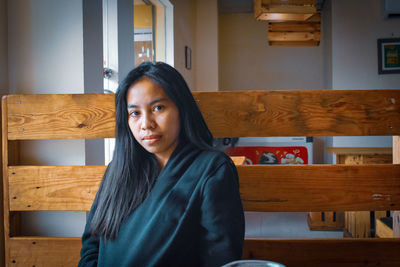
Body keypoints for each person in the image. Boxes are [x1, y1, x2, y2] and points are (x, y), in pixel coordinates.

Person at [78, 62, 245, 267]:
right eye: (135, 113)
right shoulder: (119, 168)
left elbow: (220, 258)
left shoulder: (212, 170)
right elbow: (91, 245)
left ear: (181, 109)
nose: (146, 124)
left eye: (158, 108)